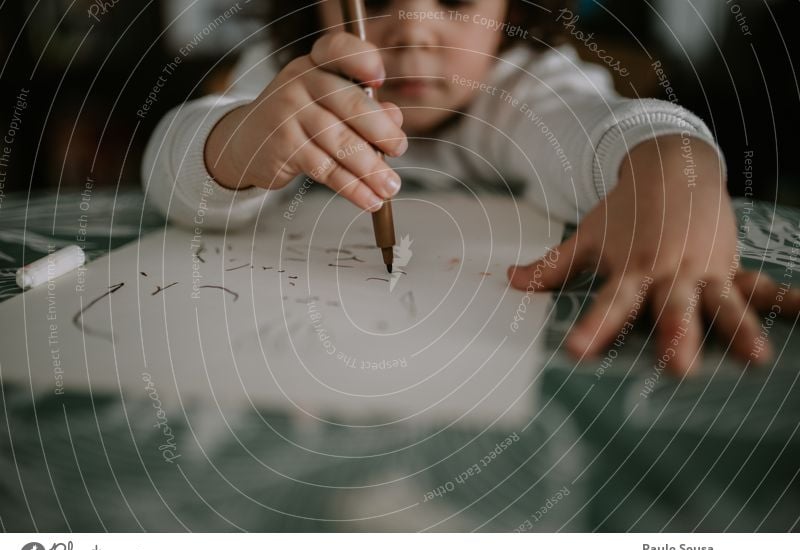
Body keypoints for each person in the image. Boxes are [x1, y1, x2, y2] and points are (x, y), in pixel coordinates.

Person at [142, 0, 800, 375]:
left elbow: (604, 131)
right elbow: (173, 172)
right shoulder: (293, 73)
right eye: (372, 2)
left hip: (488, 372)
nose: (412, 28)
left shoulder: (520, 83)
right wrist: (236, 143)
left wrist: (671, 164)